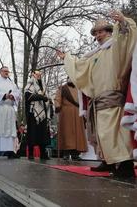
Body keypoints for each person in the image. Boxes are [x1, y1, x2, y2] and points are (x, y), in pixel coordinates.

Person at [57, 10, 136, 178]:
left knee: (115, 133)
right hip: (98, 100)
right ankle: (108, 161)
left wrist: (122, 22)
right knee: (102, 134)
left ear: (109, 32)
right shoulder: (94, 55)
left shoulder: (116, 46)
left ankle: (126, 165)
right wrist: (67, 58)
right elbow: (80, 67)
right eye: (96, 32)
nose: (98, 35)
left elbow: (126, 38)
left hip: (112, 97)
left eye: (102, 31)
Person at [0, 66, 21, 159]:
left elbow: (18, 93)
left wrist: (13, 96)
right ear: (0, 72)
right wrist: (4, 95)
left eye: (7, 71)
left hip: (9, 109)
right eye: (4, 71)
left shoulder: (12, 83)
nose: (6, 72)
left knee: (10, 131)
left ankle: (10, 151)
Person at [54, 79, 87, 160]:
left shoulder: (79, 88)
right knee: (67, 133)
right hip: (66, 113)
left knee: (77, 134)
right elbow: (57, 98)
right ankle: (66, 153)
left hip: (78, 113)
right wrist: (57, 105)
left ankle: (76, 154)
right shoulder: (63, 88)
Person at [24, 71, 50, 160]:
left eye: (40, 74)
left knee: (42, 133)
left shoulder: (43, 85)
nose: (39, 75)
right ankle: (30, 153)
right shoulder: (30, 84)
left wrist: (48, 99)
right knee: (32, 133)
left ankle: (43, 153)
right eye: (36, 74)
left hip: (42, 113)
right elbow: (28, 96)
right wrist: (41, 97)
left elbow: (47, 97)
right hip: (33, 113)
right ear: (33, 75)